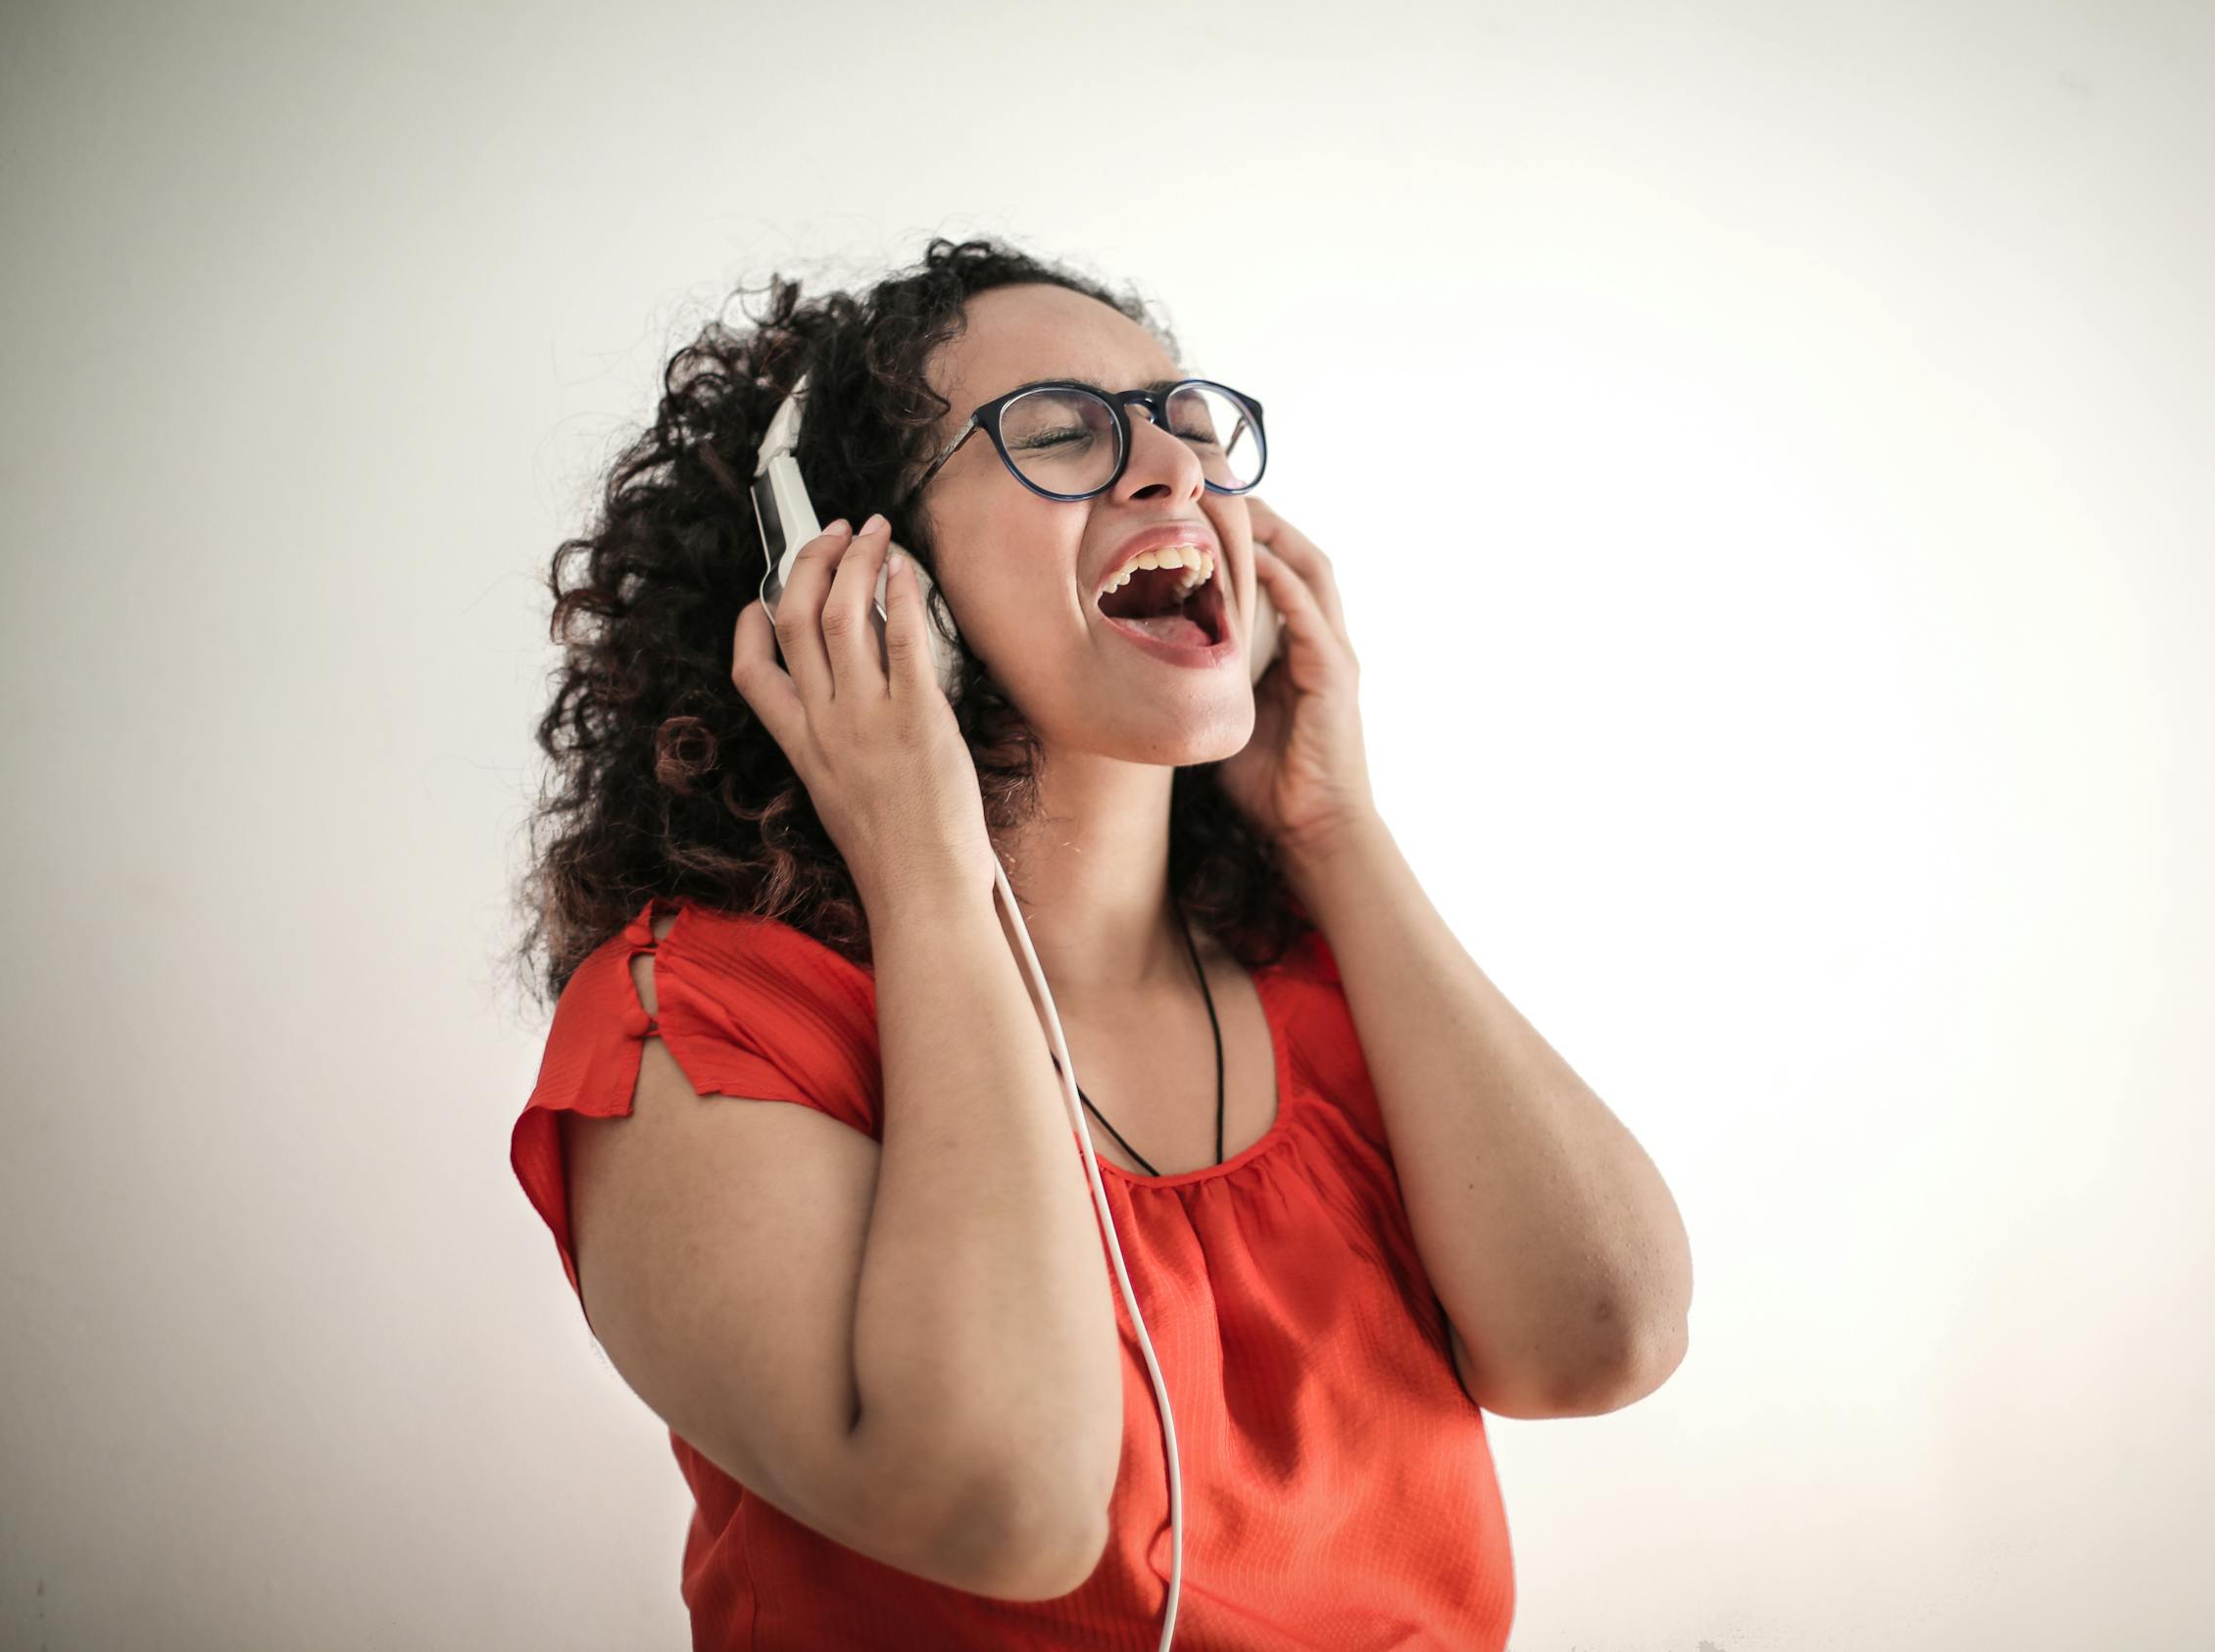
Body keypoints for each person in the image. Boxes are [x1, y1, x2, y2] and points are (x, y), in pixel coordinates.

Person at [507, 237, 1521, 1647]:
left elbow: (1603, 1339)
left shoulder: (1319, 969)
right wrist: (927, 864)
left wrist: (1338, 830)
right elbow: (1011, 1509)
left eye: (1189, 423)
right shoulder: (694, 1026)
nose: (1175, 469)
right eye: (1058, 434)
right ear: (860, 576)